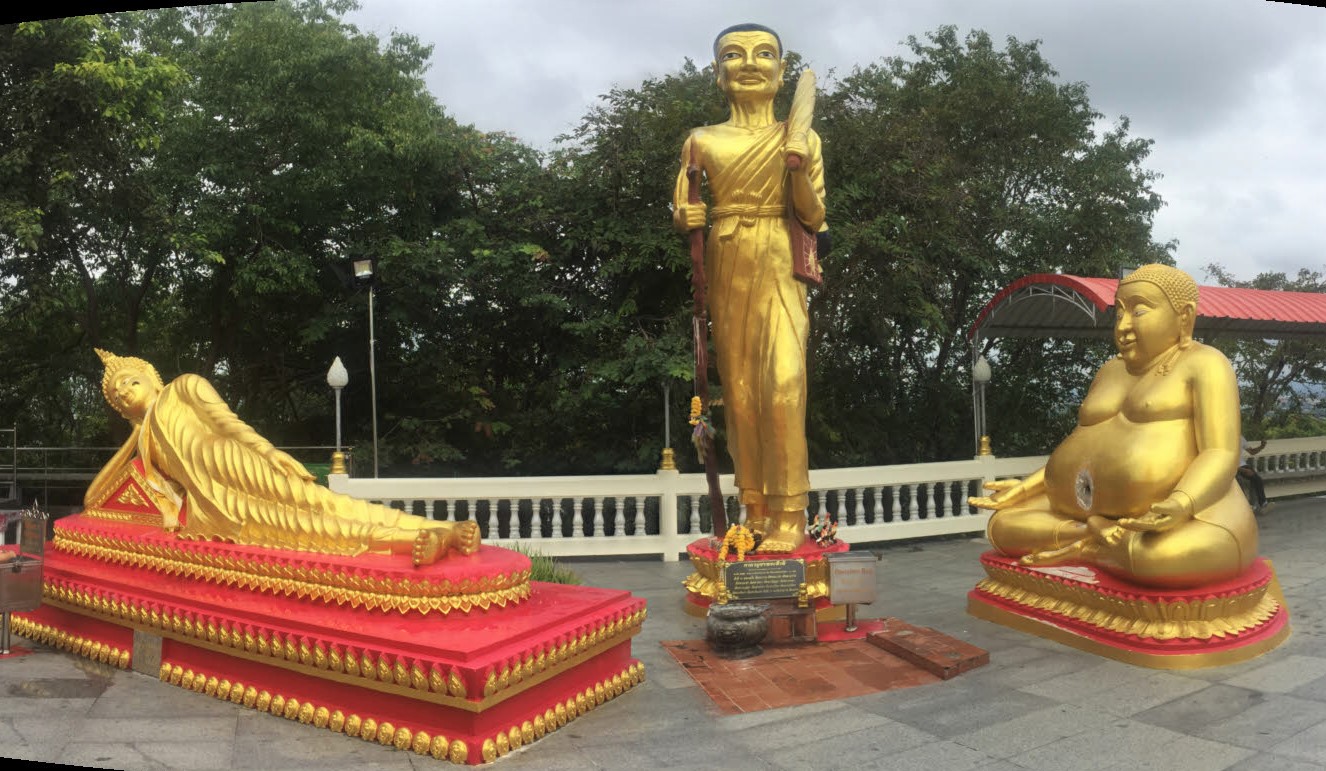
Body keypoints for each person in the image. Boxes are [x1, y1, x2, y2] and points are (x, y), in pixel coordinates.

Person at [969, 264, 1257, 589]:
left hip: (1181, 513)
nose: (1124, 325)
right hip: (1079, 512)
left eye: (1140, 311)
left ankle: (1096, 545)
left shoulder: (1205, 363)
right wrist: (1027, 487)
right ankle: (1091, 538)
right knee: (1002, 525)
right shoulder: (1109, 371)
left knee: (1161, 555)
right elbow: (1085, 441)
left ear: (1184, 317)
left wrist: (1181, 501)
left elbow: (1220, 451)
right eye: (1119, 313)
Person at [85, 349, 480, 565]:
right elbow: (93, 499)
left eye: (129, 382)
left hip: (240, 463)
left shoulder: (183, 387)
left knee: (322, 504)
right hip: (217, 507)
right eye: (117, 397)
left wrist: (272, 454)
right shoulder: (143, 443)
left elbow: (228, 423)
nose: (124, 392)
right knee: (303, 531)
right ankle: (417, 539)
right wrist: (135, 429)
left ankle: (438, 525)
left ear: (151, 378)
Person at [672, 23, 827, 553]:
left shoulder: (799, 136)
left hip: (780, 254)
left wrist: (800, 168)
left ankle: (790, 510)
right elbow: (686, 208)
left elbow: (814, 214)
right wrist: (687, 214)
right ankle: (754, 506)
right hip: (729, 252)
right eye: (734, 56)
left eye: (765, 54)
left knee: (784, 384)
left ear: (782, 72)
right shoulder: (702, 139)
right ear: (718, 75)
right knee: (739, 393)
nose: (750, 63)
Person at [1238, 435, 1269, 512]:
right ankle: (1245, 507)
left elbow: (1252, 452)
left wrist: (1261, 446)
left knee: (1257, 479)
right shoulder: (1224, 439)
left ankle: (1263, 504)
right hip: (1231, 468)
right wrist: (1243, 470)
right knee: (1239, 483)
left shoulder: (1240, 438)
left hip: (1242, 465)